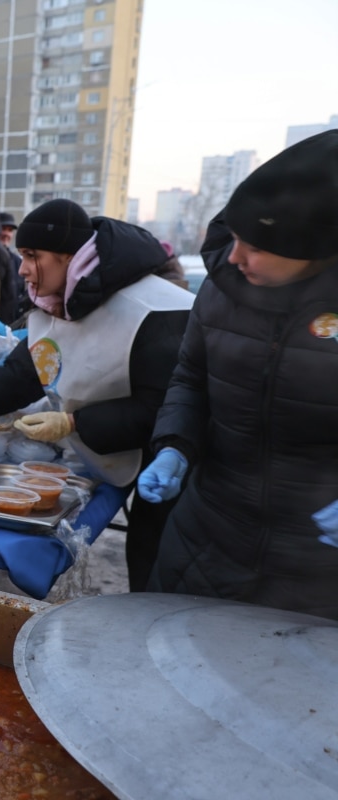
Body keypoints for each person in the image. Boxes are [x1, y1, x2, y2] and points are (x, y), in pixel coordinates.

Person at [0, 199, 194, 591]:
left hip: (175, 463)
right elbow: (22, 374)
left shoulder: (151, 309)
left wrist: (73, 423)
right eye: (20, 255)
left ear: (71, 257)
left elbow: (166, 406)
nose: (21, 269)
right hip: (115, 454)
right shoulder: (60, 301)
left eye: (32, 256)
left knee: (158, 568)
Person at [138, 130, 338, 619]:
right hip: (206, 537)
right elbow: (190, 377)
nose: (233, 258)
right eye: (235, 237)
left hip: (316, 573)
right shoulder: (224, 288)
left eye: (256, 246)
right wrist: (174, 446)